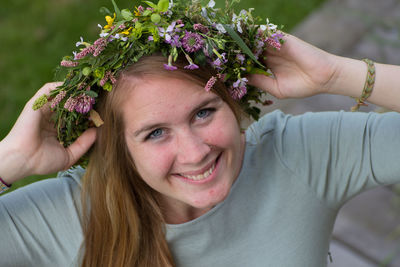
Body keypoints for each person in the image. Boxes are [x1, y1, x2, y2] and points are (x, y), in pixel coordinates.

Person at [1, 0, 400, 266]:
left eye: (204, 112)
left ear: (233, 100)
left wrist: (336, 73)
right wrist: (10, 162)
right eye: (155, 133)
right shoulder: (73, 213)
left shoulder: (300, 155)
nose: (195, 153)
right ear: (118, 145)